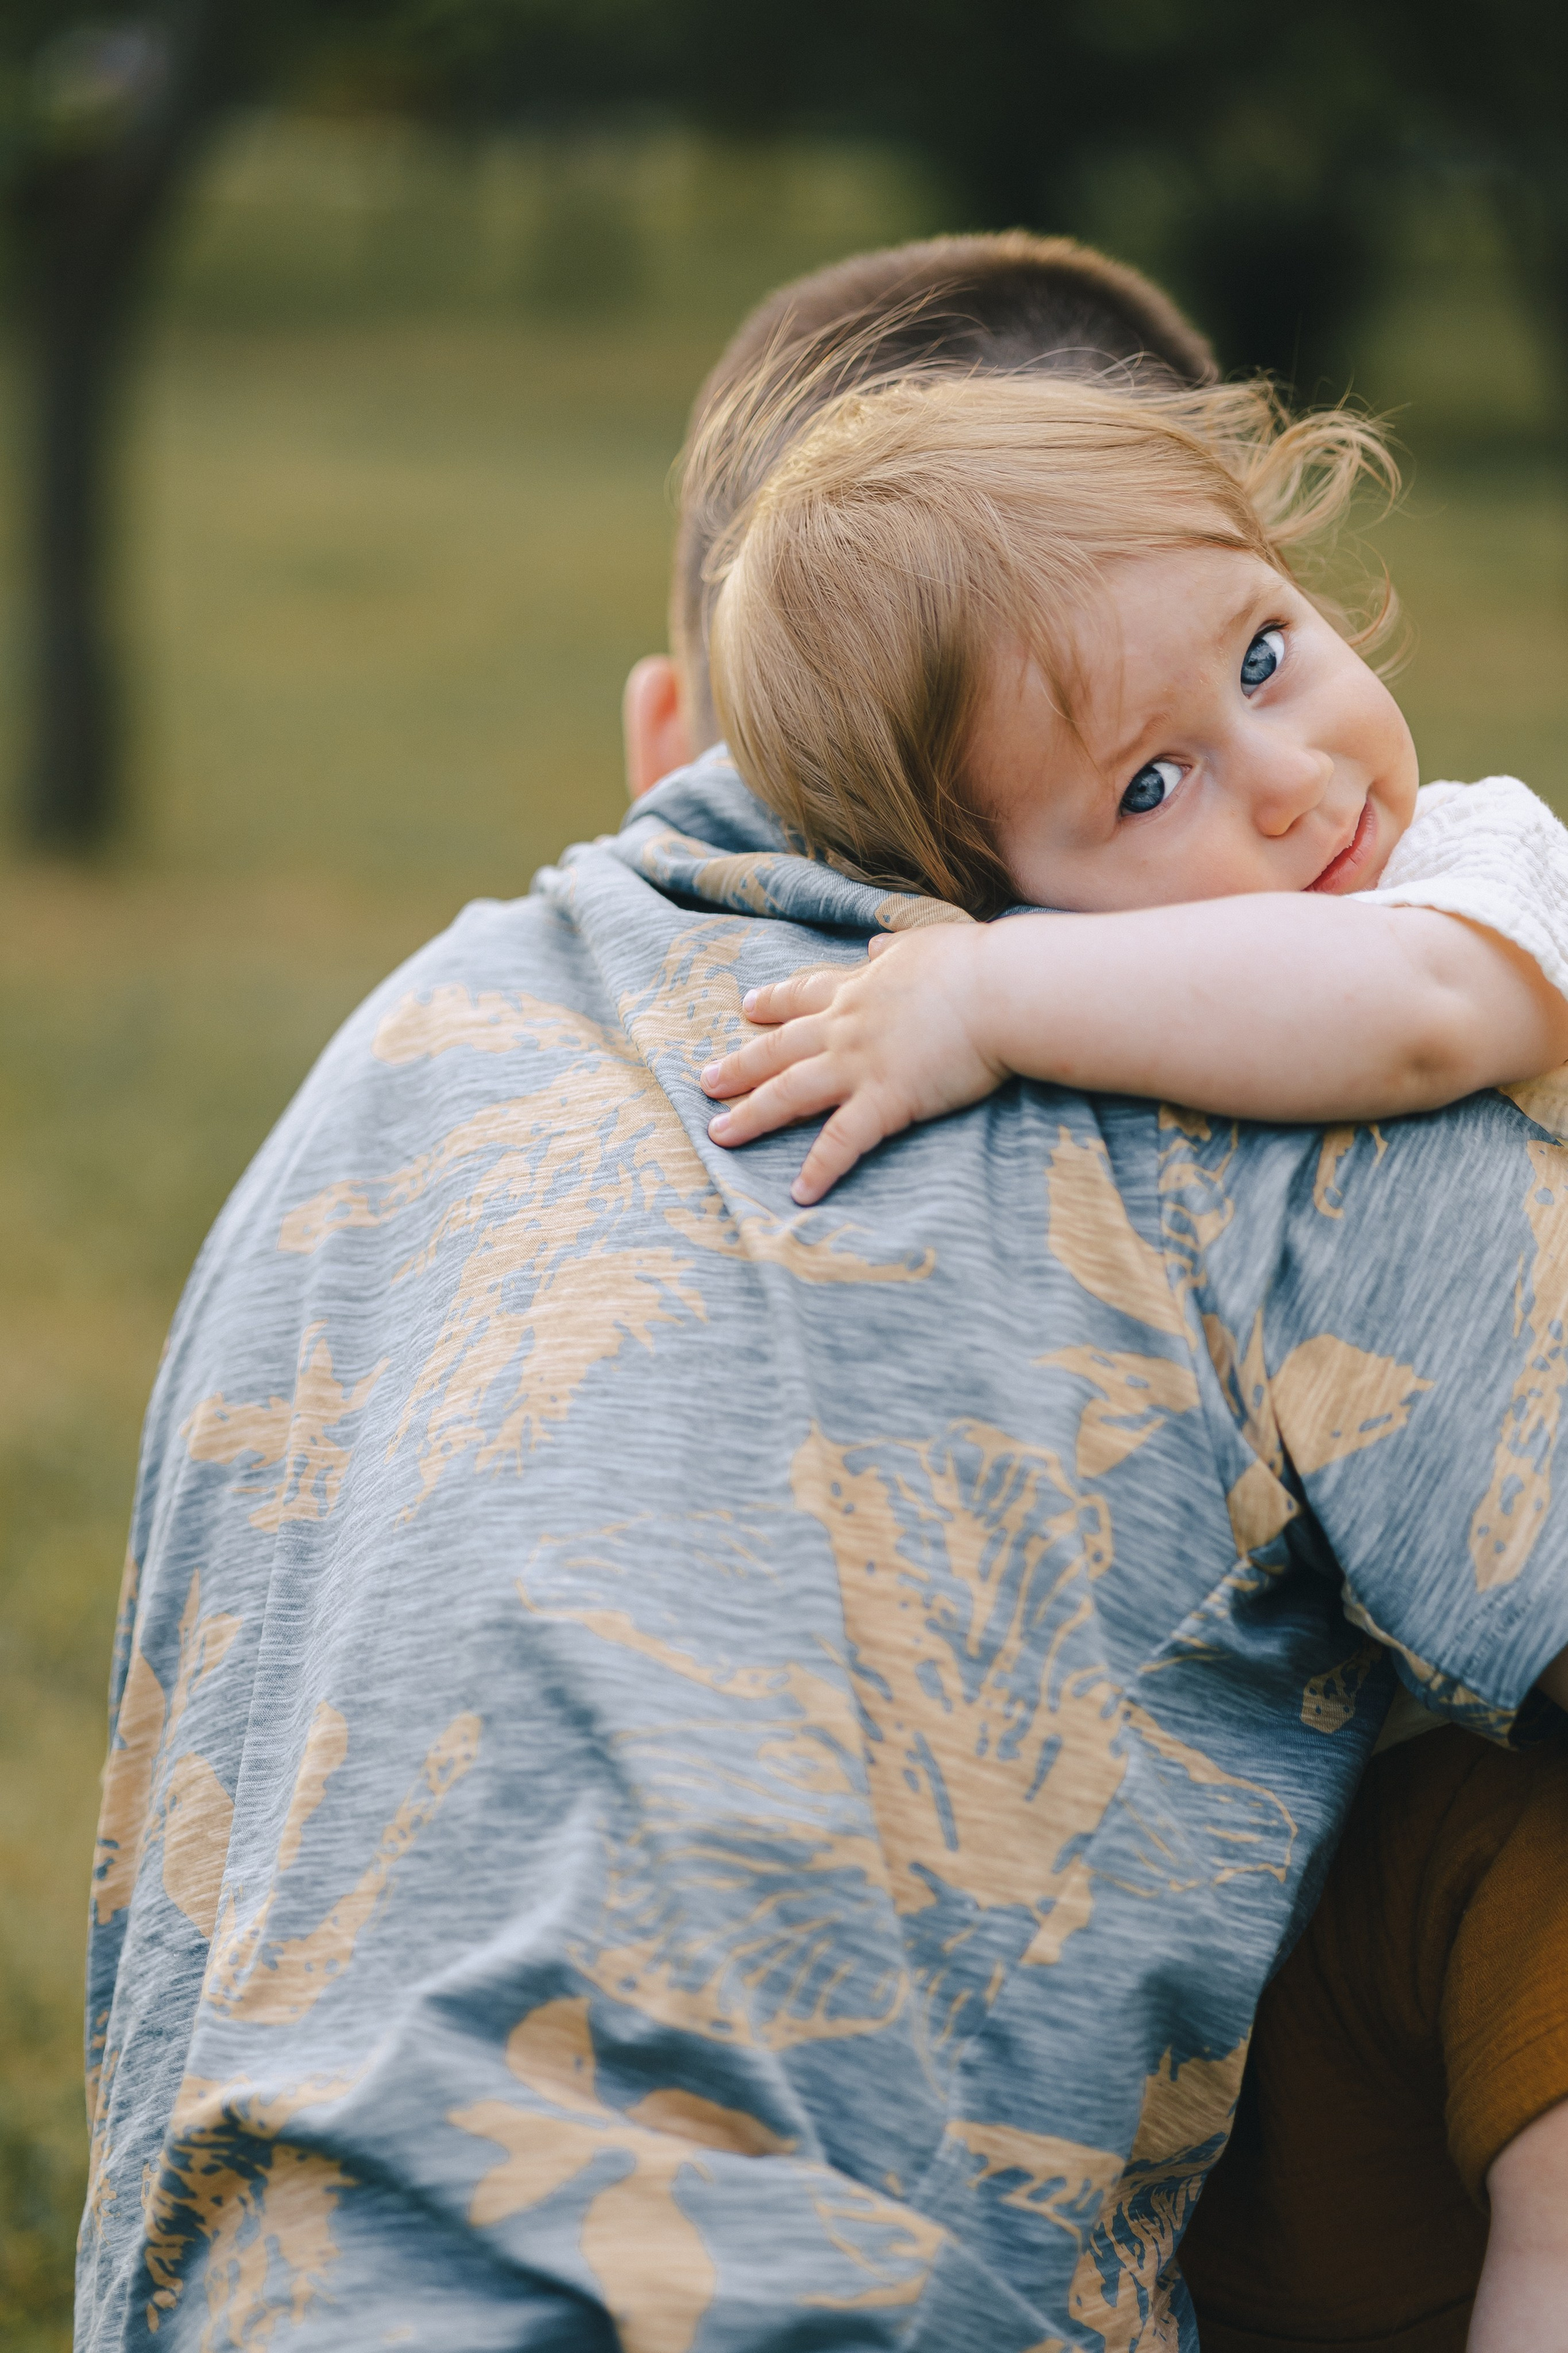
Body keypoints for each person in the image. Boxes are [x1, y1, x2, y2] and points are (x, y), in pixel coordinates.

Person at [78, 238, 1568, 2353]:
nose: (1284, 797)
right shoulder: (1265, 1072)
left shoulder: (371, 1089)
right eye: (1138, 783)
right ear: (966, 847)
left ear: (661, 735)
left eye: (1264, 657)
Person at [693, 368, 1568, 1199]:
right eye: (1150, 784)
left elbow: (1422, 1011)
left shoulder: (1486, 857)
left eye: (1260, 656)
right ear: (989, 888)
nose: (1293, 777)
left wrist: (988, 993)